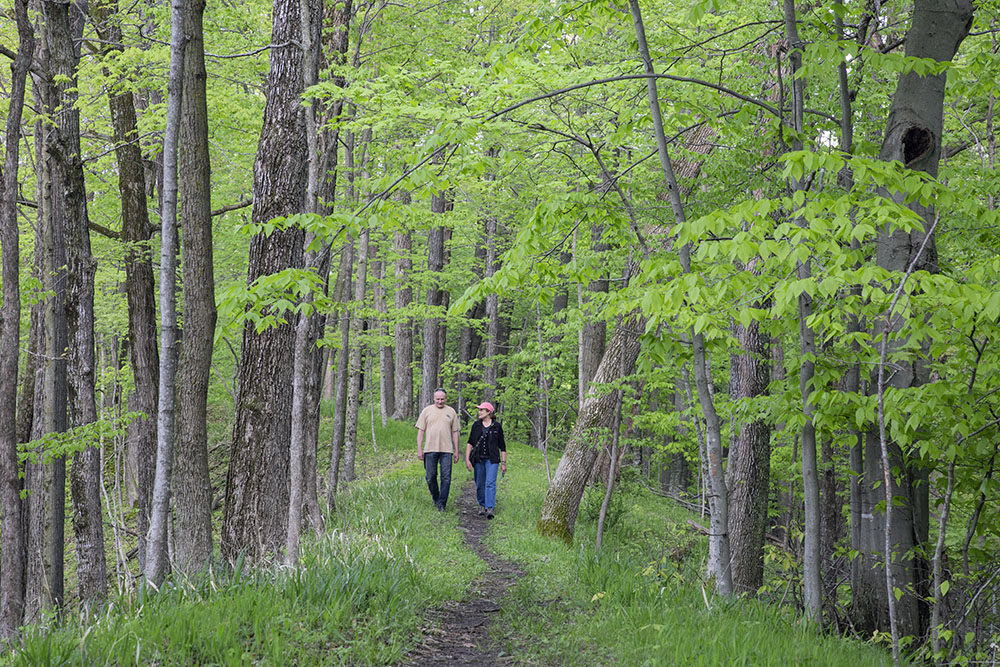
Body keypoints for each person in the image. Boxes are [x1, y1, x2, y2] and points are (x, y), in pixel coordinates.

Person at [416, 388, 460, 511]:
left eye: (442, 399)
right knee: (430, 477)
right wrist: (420, 449)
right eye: (438, 399)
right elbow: (420, 431)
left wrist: (457, 450)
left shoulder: (451, 411)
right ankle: (436, 498)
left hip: (446, 450)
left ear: (445, 399)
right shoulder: (427, 411)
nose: (440, 401)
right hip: (430, 449)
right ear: (434, 398)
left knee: (446, 477)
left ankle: (442, 504)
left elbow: (455, 432)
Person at [464, 401, 506, 519]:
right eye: (479, 410)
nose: (479, 412)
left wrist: (503, 462)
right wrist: (467, 459)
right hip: (478, 459)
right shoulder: (476, 425)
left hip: (492, 459)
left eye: (482, 410)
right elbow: (470, 443)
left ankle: (490, 508)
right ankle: (482, 505)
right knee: (480, 484)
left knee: (490, 483)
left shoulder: (497, 426)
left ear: (489, 412)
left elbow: (502, 446)